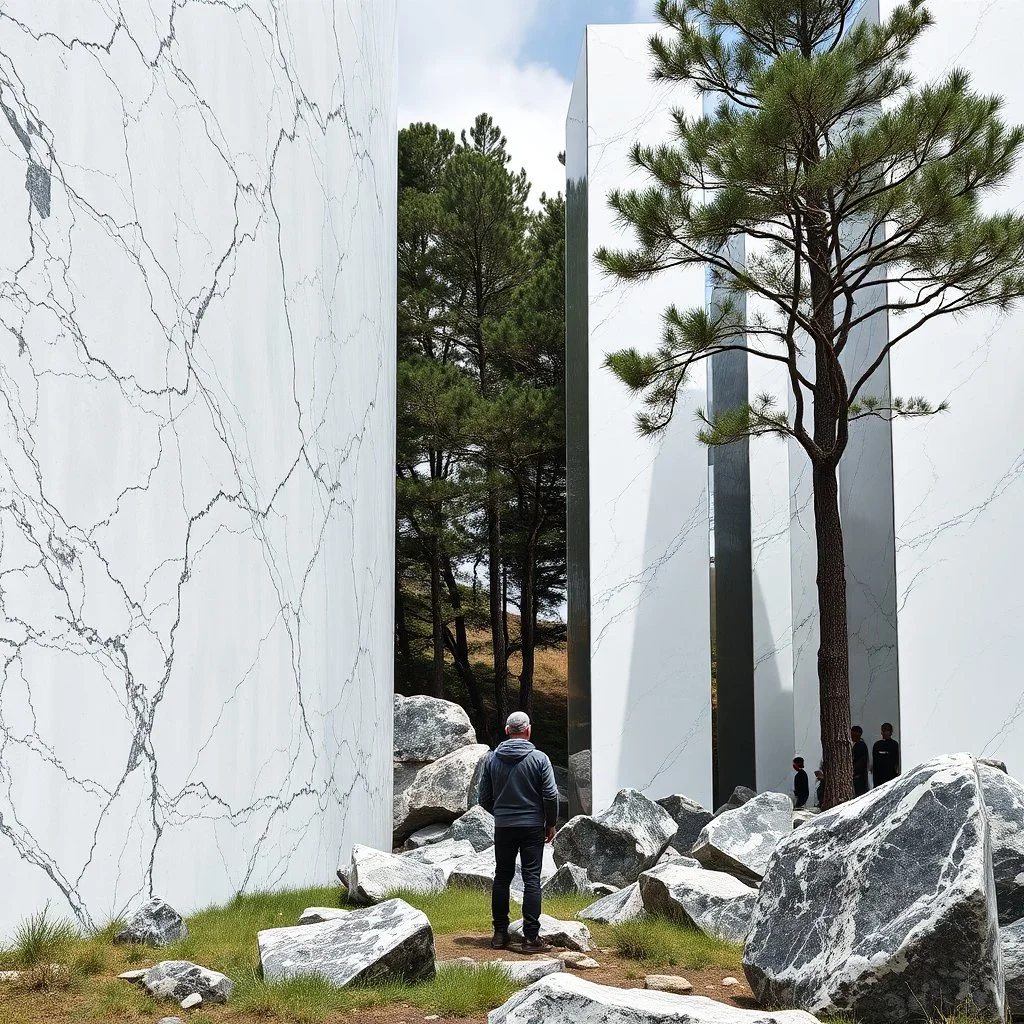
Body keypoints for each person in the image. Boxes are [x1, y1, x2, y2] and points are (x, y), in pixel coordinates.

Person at [478, 711, 559, 953]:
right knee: (531, 879)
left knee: (502, 877)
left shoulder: (491, 759)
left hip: (504, 826)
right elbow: (551, 795)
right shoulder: (540, 759)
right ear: (528, 731)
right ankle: (530, 938)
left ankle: (499, 935)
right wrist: (550, 823)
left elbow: (484, 798)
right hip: (533, 826)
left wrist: (502, 813)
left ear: (506, 731)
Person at [872, 722, 901, 788]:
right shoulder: (877, 744)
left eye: (888, 730)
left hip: (890, 776)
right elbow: (875, 762)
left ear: (891, 732)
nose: (886, 733)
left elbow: (896, 760)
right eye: (884, 730)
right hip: (878, 777)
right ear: (881, 732)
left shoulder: (894, 744)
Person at [851, 725, 870, 796]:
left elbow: (862, 761)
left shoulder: (861, 745)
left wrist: (853, 769)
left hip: (858, 776)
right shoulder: (852, 744)